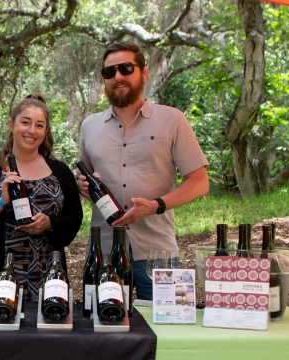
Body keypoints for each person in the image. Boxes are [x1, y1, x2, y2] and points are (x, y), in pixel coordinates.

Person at [77, 42, 210, 300]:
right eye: (109, 72)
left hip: (159, 251)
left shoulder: (173, 119)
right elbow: (85, 179)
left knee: (171, 329)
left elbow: (200, 181)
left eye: (126, 68)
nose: (118, 77)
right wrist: (81, 186)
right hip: (103, 252)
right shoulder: (89, 126)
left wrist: (157, 205)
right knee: (105, 333)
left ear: (145, 73)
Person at [0, 94, 83, 301]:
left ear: (45, 131)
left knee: (49, 328)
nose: (31, 131)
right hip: (2, 279)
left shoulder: (60, 172)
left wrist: (50, 223)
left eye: (39, 125)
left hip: (50, 279)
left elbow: (74, 218)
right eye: (25, 122)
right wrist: (2, 202)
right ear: (11, 124)